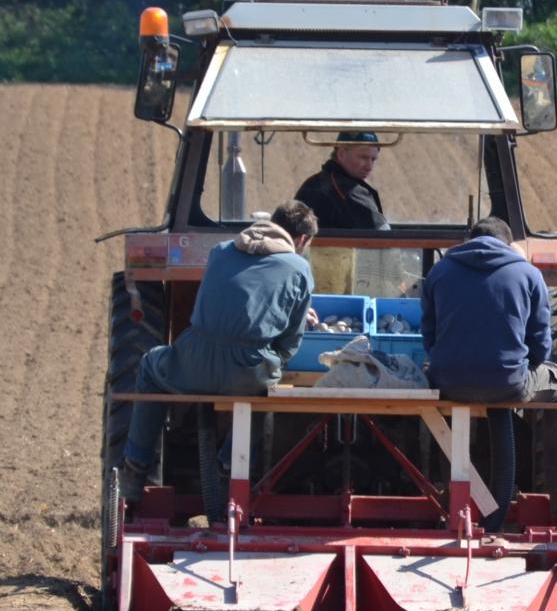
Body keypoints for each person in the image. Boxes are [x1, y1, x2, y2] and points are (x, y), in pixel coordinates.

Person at [120, 200, 319, 499]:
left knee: (149, 365)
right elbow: (291, 339)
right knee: (265, 389)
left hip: (193, 359)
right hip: (248, 368)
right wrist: (274, 362)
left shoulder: (221, 251)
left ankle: (135, 466)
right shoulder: (299, 268)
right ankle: (230, 465)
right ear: (301, 240)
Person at [420, 217, 557, 516]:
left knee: (447, 403)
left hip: (448, 381)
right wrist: (520, 366)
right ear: (508, 244)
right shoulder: (528, 273)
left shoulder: (439, 271)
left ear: (469, 240)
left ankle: (450, 487)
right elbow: (540, 345)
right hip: (508, 382)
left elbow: (429, 336)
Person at [295, 131, 388, 230]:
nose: (369, 167)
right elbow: (385, 237)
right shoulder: (348, 191)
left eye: (373, 159)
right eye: (363, 157)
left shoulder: (312, 183)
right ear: (341, 154)